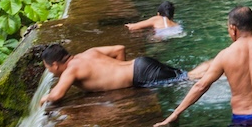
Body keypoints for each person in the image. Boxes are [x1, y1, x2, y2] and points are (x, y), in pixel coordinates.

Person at [39, 43, 185, 105]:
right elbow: (119, 49)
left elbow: (57, 95)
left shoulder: (71, 69)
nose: (49, 71)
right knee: (185, 76)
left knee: (188, 81)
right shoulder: (89, 53)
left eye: (48, 68)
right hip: (142, 63)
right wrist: (119, 71)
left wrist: (43, 99)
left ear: (56, 65)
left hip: (142, 75)